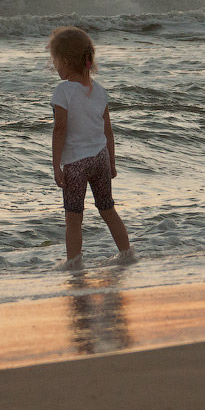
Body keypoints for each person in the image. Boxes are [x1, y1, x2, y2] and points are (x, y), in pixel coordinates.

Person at [48, 26, 134, 270]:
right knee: (108, 209)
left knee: (73, 217)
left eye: (55, 61)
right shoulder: (98, 90)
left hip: (76, 163)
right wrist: (112, 162)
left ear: (65, 61)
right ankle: (127, 253)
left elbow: (60, 130)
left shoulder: (63, 91)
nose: (54, 66)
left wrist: (56, 165)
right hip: (100, 158)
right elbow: (107, 130)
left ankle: (74, 264)